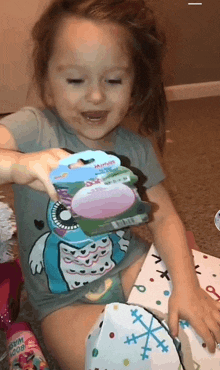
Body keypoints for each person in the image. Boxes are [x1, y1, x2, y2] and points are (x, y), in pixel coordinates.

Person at [0, 0, 220, 368]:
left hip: (130, 264)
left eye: (114, 80)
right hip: (63, 302)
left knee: (201, 328)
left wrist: (187, 287)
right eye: (75, 80)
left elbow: (163, 219)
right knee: (118, 358)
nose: (97, 96)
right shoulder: (33, 128)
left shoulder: (134, 149)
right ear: (47, 84)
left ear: (134, 86)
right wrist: (20, 164)